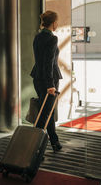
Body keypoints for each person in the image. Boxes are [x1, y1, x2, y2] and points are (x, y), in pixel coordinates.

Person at [30, 10, 63, 152]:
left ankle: (55, 142)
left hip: (37, 78)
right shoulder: (52, 38)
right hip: (49, 80)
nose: (57, 24)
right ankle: (33, 147)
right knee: (44, 115)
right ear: (53, 22)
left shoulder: (38, 37)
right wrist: (50, 85)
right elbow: (48, 63)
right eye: (57, 21)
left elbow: (40, 61)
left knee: (47, 112)